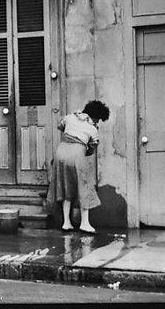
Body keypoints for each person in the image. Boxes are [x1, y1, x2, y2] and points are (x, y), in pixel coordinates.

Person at [46, 100, 110, 234]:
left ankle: (66, 222)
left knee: (65, 186)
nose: (97, 122)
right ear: (95, 117)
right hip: (76, 155)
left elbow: (61, 126)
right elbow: (91, 150)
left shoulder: (69, 117)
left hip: (60, 153)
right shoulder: (93, 129)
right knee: (84, 188)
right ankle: (85, 223)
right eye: (97, 119)